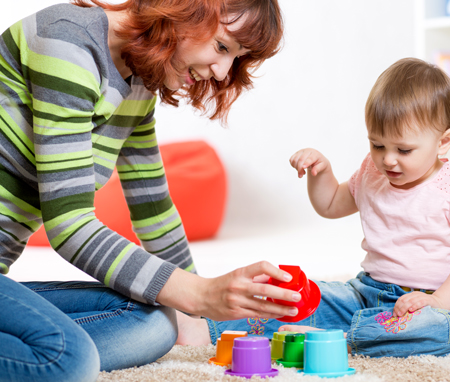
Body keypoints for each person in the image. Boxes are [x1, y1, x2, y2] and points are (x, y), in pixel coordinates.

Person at [0, 1, 301, 381]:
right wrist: (199, 294)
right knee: (66, 360)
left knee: (156, 322)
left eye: (235, 58)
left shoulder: (137, 84)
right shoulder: (67, 39)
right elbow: (69, 225)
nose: (223, 72)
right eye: (223, 47)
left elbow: (154, 210)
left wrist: (194, 314)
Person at [175, 57, 450, 358]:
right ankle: (206, 328)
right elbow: (330, 205)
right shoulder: (373, 171)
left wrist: (437, 302)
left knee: (444, 333)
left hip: (433, 301)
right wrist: (321, 173)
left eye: (404, 150)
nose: (388, 159)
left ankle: (341, 338)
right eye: (377, 145)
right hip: (365, 293)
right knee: (297, 298)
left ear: (444, 142)